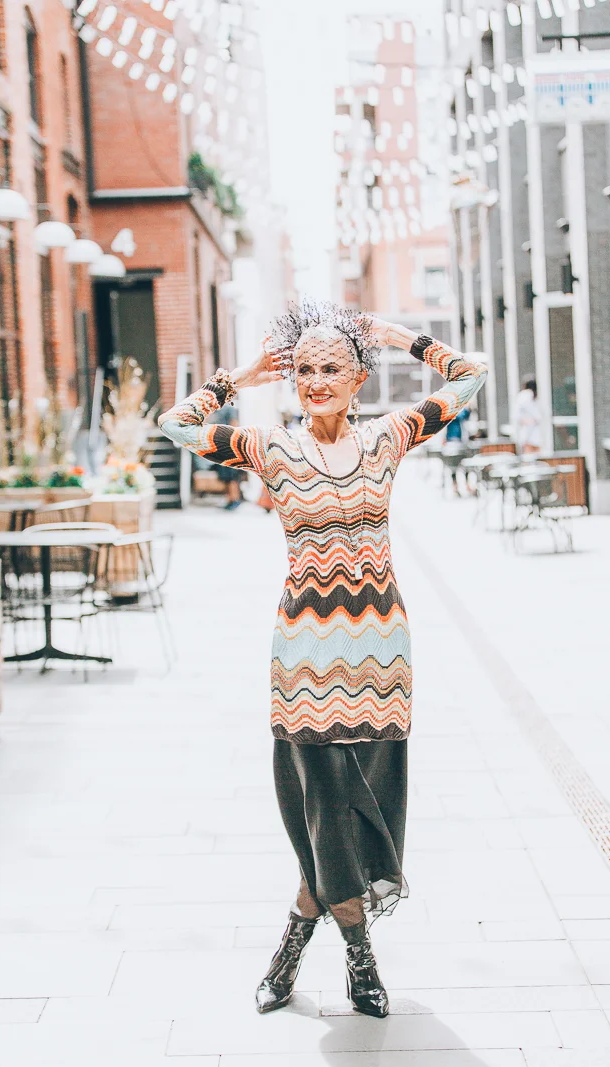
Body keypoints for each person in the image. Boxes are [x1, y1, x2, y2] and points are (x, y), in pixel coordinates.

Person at [158, 300, 487, 1019]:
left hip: (381, 652)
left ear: (359, 377)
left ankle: (293, 941)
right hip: (304, 655)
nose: (315, 379)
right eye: (304, 368)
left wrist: (407, 339)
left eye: (331, 367)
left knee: (365, 802)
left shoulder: (389, 440)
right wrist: (235, 378)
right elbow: (176, 425)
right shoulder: (269, 448)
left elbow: (470, 378)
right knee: (320, 805)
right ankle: (360, 959)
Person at [207, 401, 244, 509]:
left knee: (232, 476)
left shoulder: (230, 409)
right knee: (225, 476)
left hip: (228, 447)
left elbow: (234, 424)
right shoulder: (215, 410)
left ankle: (235, 499)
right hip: (219, 447)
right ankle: (230, 499)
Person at [512, 374, 542, 454]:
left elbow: (516, 416)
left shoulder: (523, 395)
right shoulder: (537, 396)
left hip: (527, 434)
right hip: (538, 435)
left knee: (528, 460)